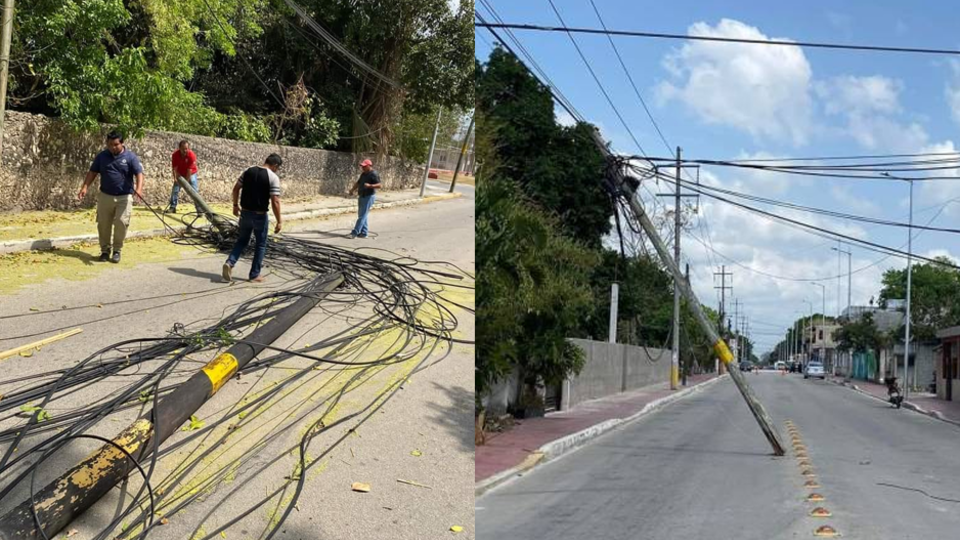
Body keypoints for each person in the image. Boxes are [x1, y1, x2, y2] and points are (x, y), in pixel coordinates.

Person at [77, 131, 145, 264]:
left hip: (124, 197)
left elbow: (139, 174)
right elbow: (93, 172)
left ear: (122, 143)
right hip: (105, 196)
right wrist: (85, 187)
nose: (112, 147)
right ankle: (105, 251)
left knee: (121, 222)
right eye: (110, 145)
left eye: (115, 145)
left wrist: (139, 189)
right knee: (103, 224)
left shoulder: (130, 157)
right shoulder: (102, 156)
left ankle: (117, 250)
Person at [222, 154, 283, 283]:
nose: (276, 170)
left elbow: (236, 188)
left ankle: (230, 262)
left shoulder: (248, 170)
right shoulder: (273, 177)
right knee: (260, 244)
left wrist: (235, 205)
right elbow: (275, 201)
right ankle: (254, 274)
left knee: (242, 241)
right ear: (275, 165)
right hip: (260, 216)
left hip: (245, 213)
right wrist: (279, 221)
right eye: (277, 168)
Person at [347, 158, 381, 238]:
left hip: (369, 196)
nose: (363, 168)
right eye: (362, 166)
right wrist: (352, 190)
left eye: (364, 166)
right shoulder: (363, 174)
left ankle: (355, 233)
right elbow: (358, 183)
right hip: (362, 195)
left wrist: (370, 186)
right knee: (362, 215)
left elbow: (379, 185)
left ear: (369, 166)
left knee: (362, 215)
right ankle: (364, 233)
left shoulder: (374, 174)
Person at [167, 139, 199, 213]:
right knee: (175, 190)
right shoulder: (175, 155)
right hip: (180, 174)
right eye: (183, 149)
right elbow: (174, 168)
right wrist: (175, 178)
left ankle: (199, 210)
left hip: (191, 174)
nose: (185, 150)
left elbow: (189, 170)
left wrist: (186, 183)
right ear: (179, 148)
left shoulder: (191, 155)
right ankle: (172, 207)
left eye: (186, 149)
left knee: (194, 191)